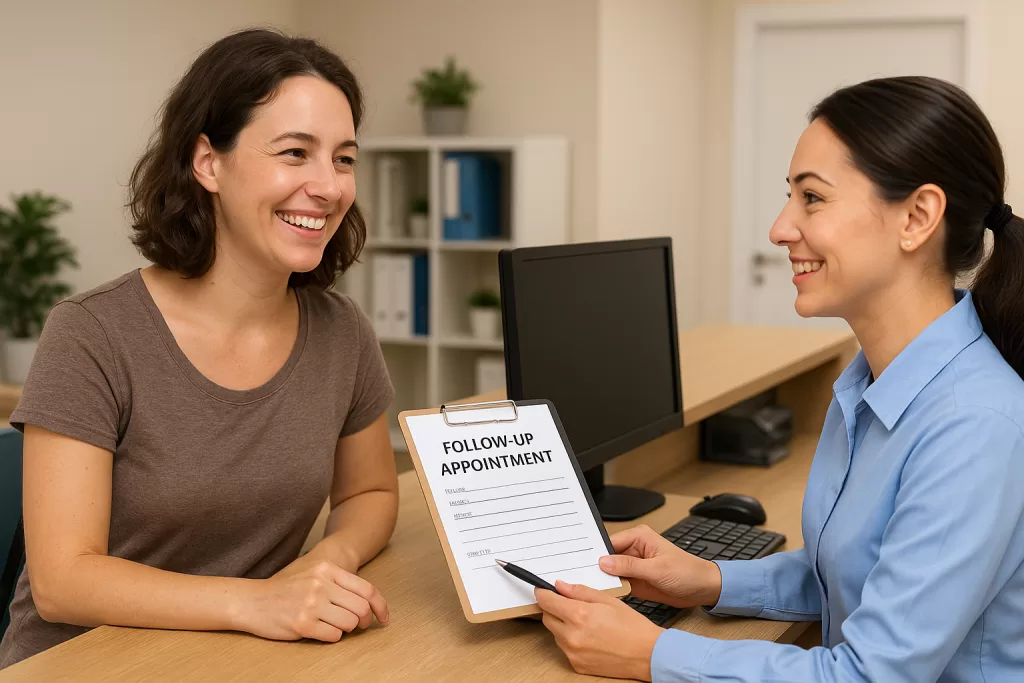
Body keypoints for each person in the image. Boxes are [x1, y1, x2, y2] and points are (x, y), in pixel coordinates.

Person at [534, 76, 1024, 682]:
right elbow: (860, 574)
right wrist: (710, 578)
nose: (779, 228)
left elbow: (869, 676)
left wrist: (650, 653)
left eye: (812, 199)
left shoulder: (974, 425)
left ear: (917, 216)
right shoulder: (871, 383)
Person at [0, 29, 398, 669]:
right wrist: (259, 602)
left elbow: (371, 495)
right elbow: (61, 581)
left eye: (344, 158)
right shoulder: (92, 333)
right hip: (80, 663)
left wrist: (325, 565)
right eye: (295, 153)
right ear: (207, 162)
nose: (329, 186)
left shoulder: (341, 331)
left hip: (242, 658)